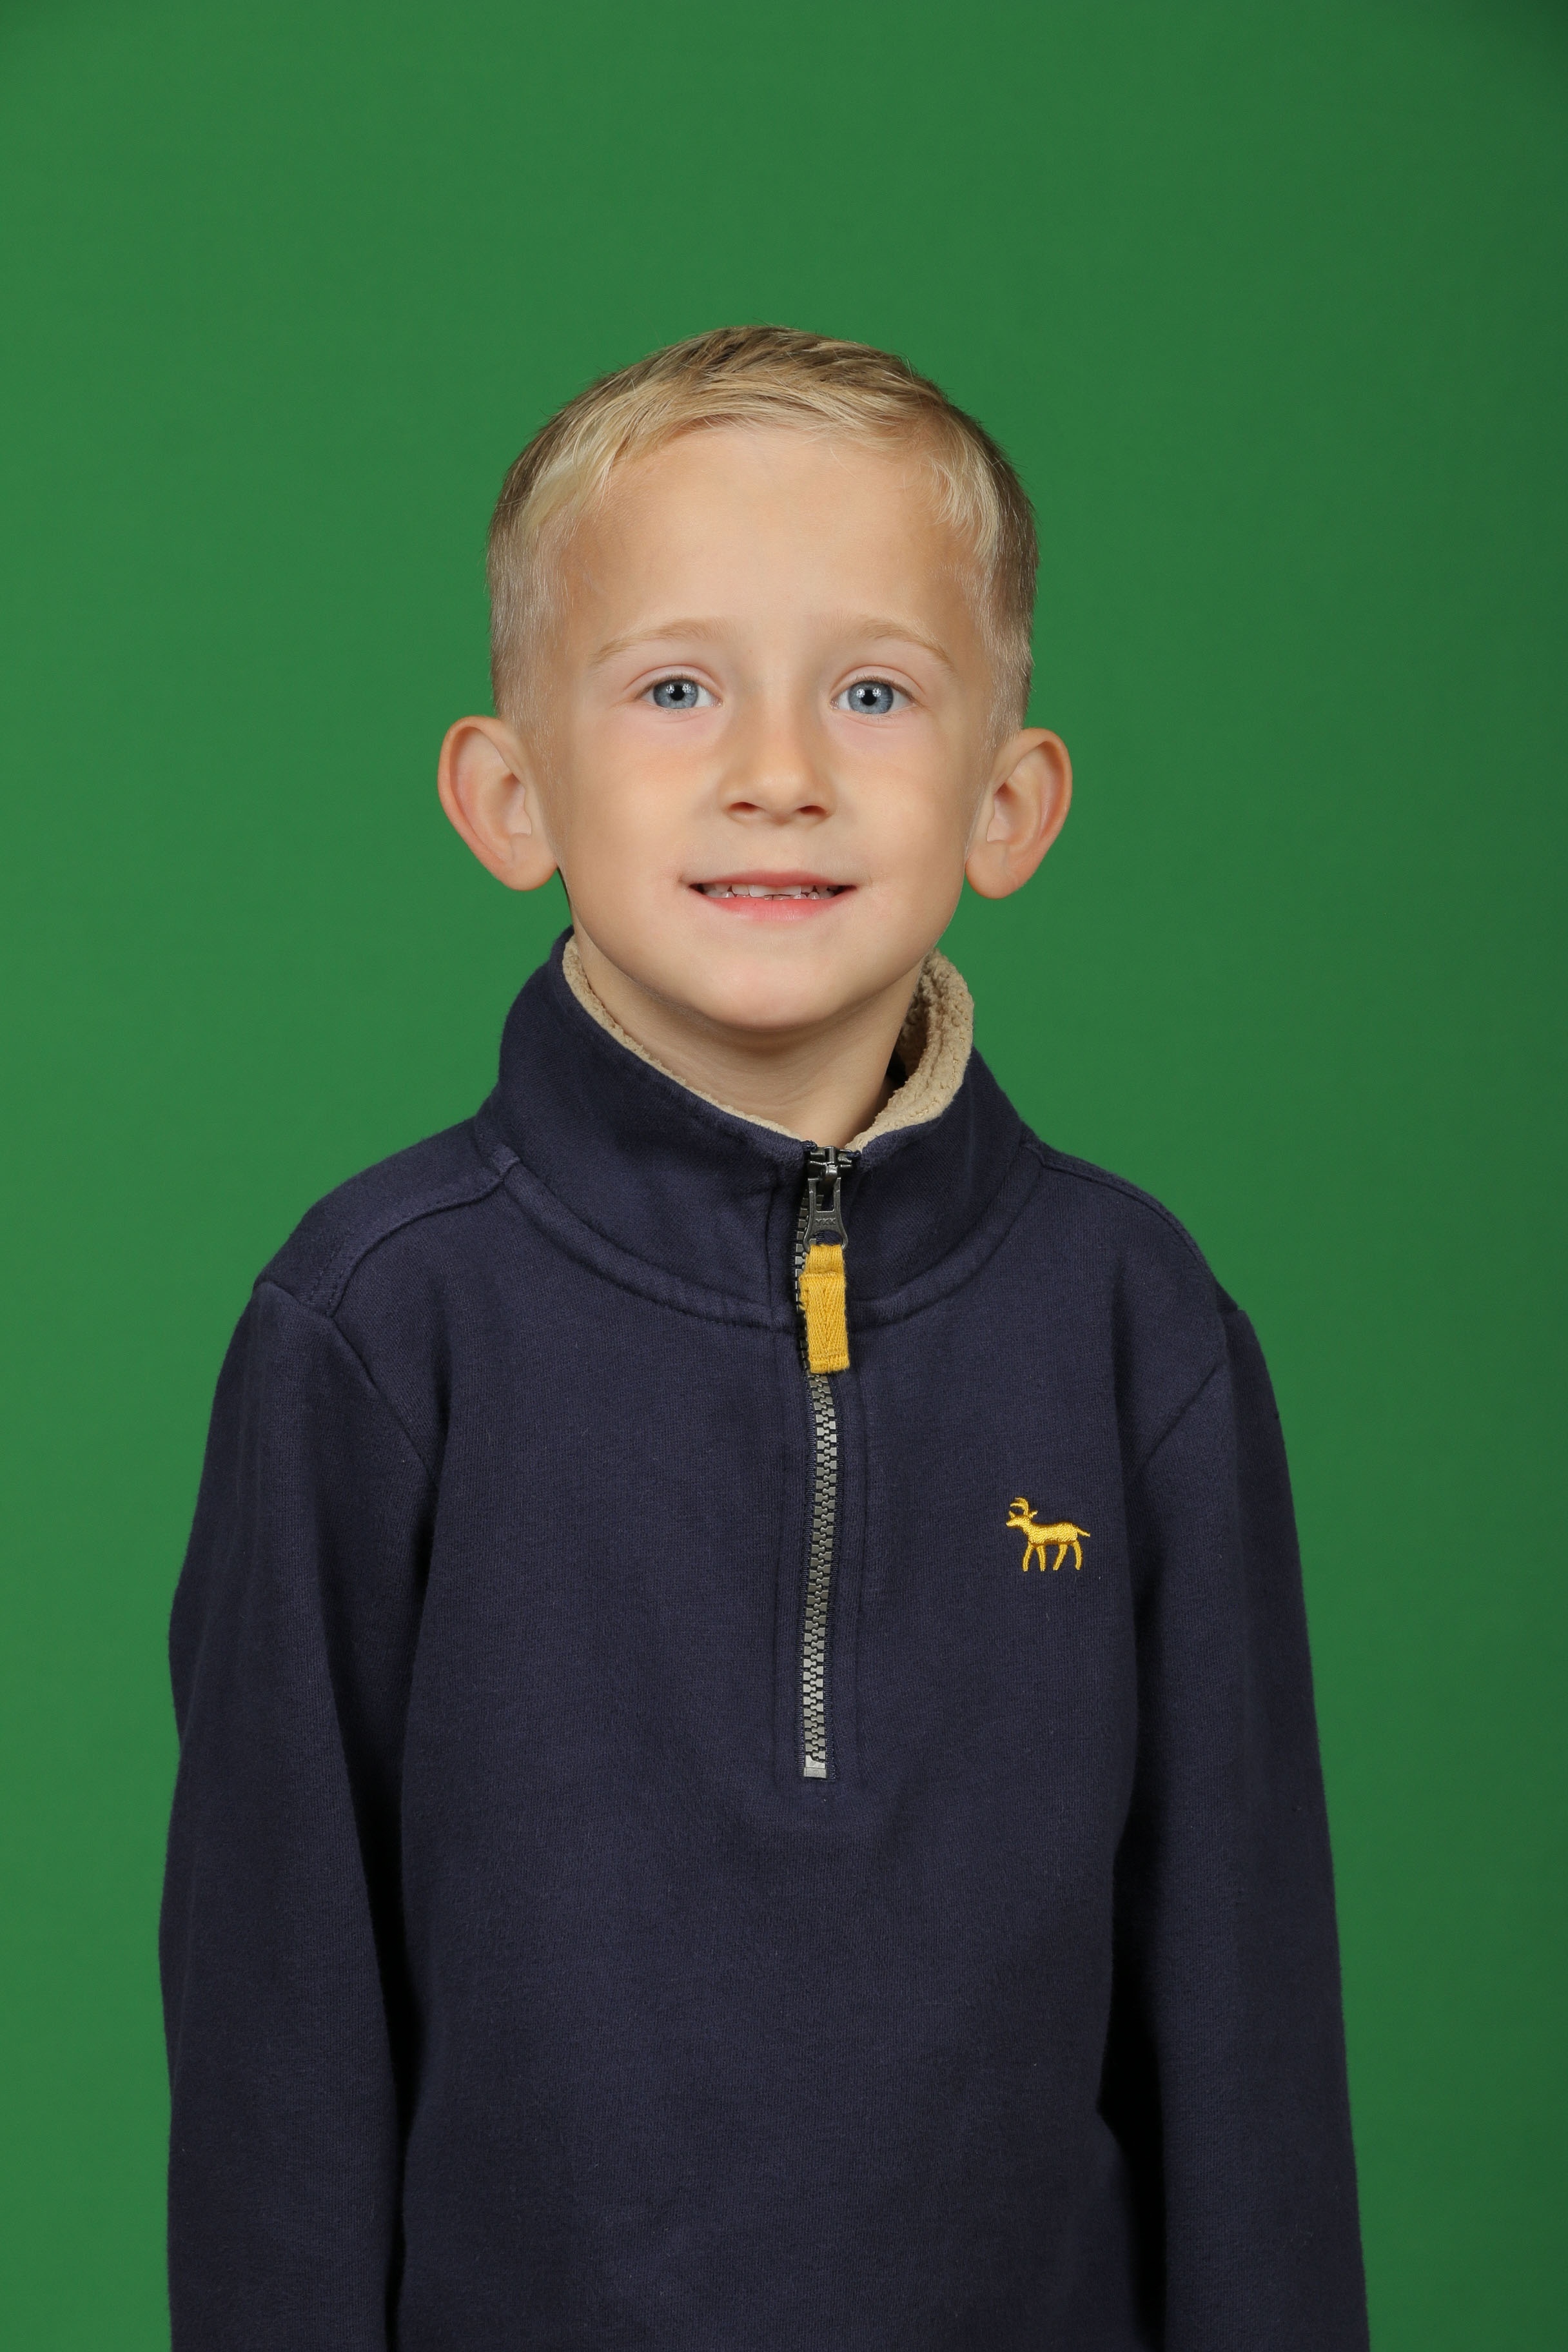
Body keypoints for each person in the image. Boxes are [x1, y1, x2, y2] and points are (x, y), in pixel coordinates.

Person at [161, 326, 1368, 2349]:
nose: (780, 772)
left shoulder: (1138, 1330)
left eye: (874, 691)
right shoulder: (371, 1328)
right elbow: (278, 2036)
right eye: (677, 687)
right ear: (509, 794)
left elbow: (1246, 2045)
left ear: (1010, 802)